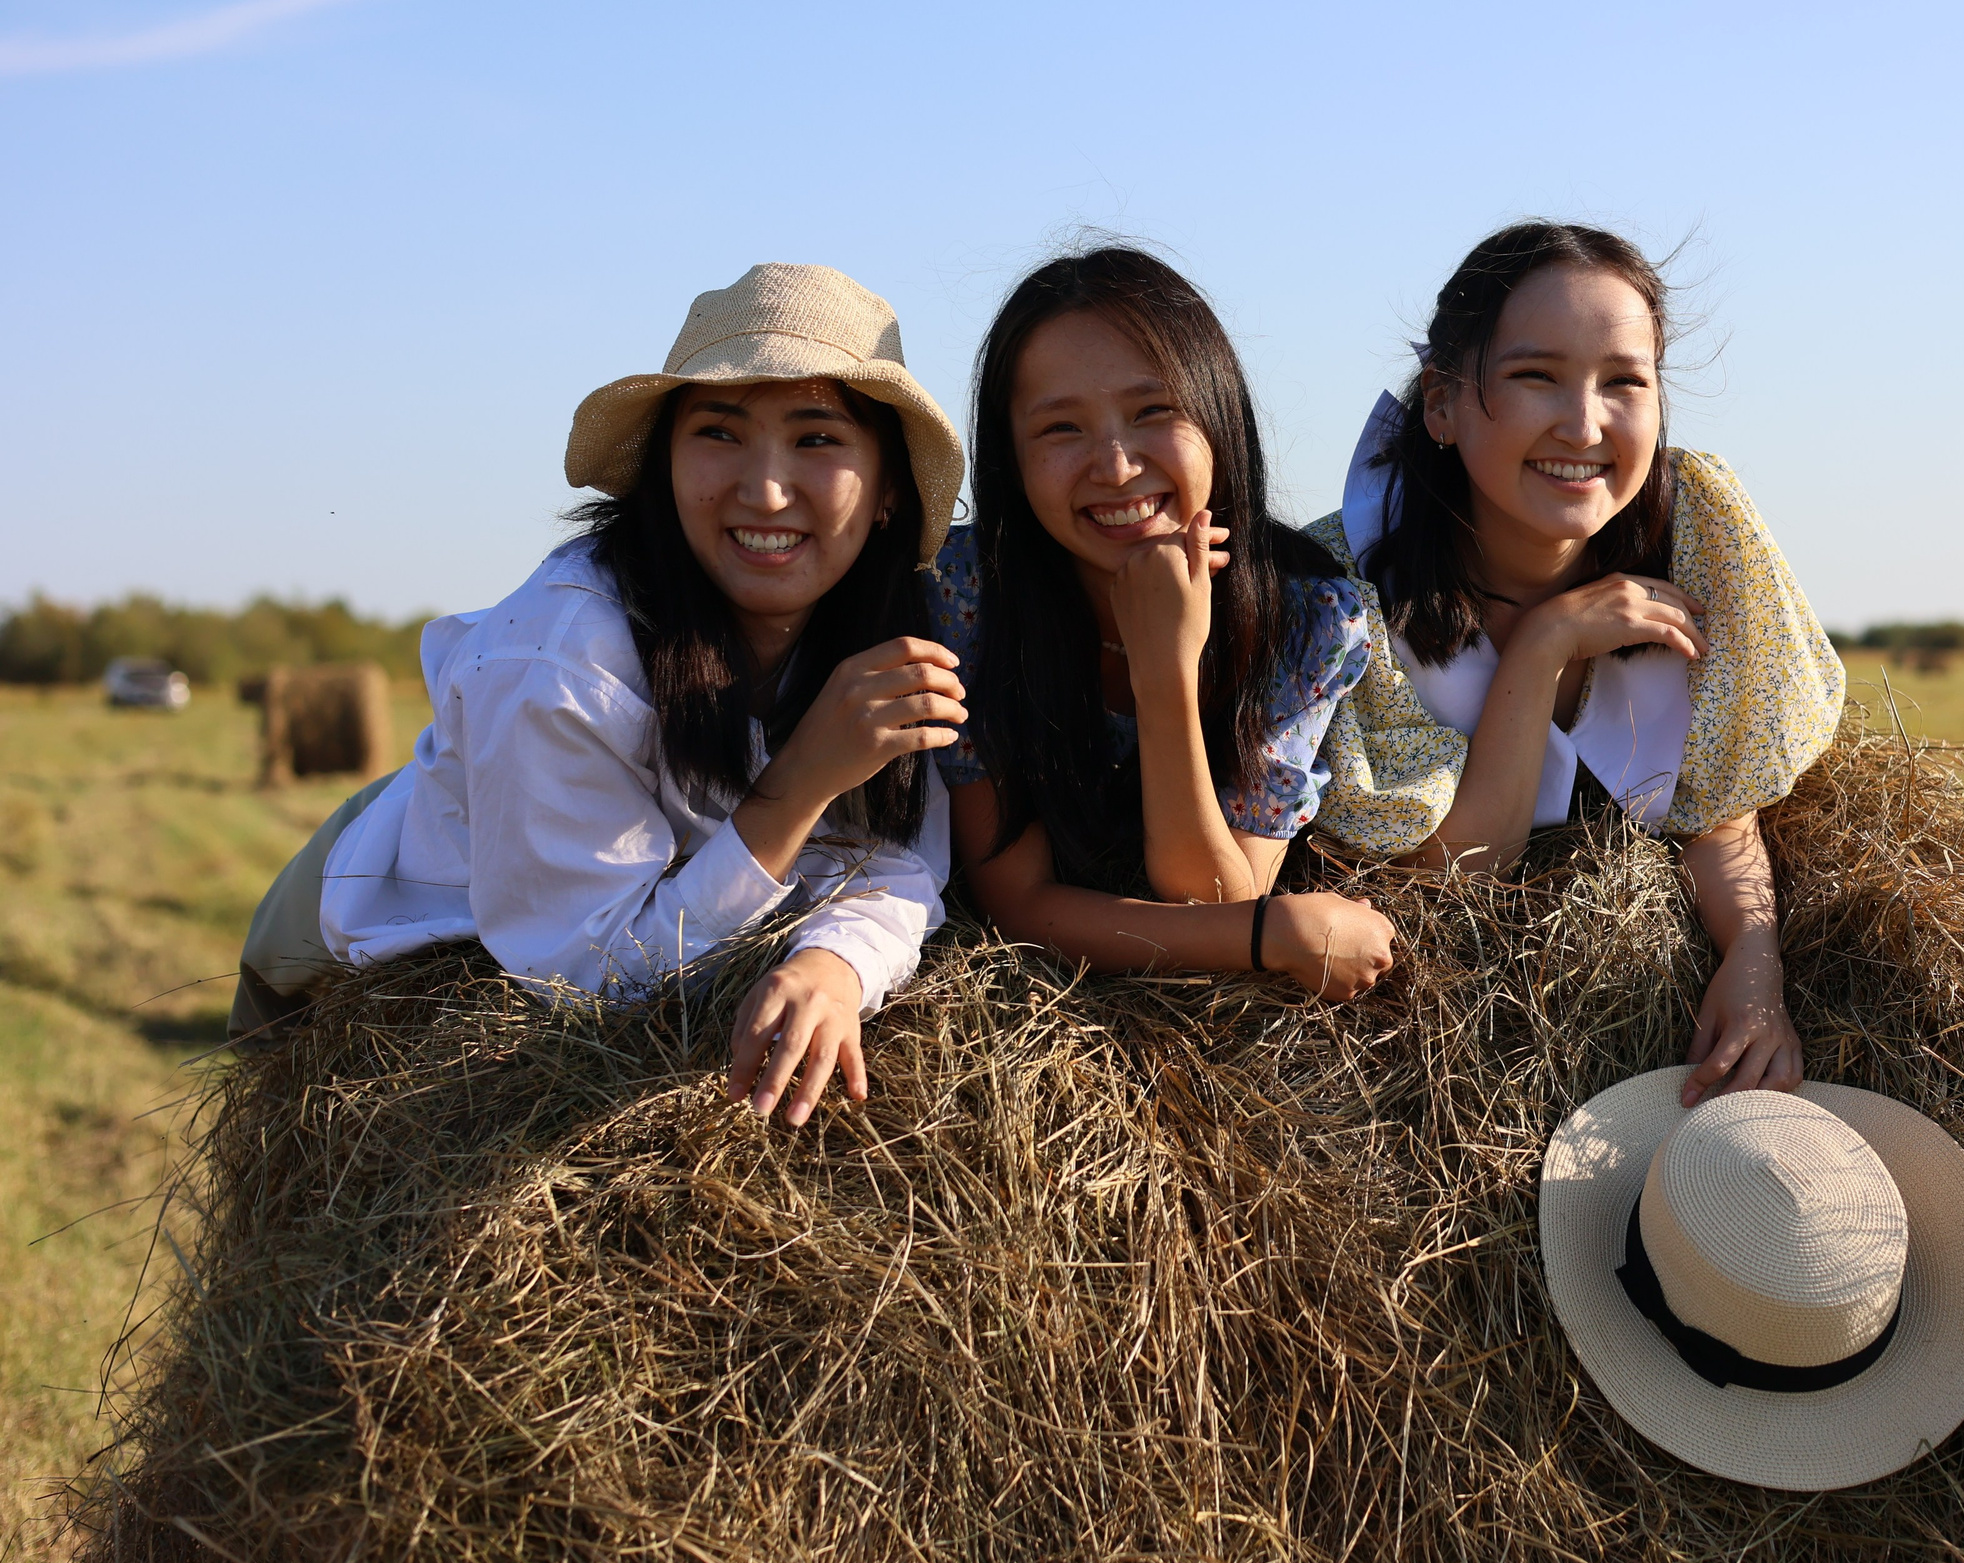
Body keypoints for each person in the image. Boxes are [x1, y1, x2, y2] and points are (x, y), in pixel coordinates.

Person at [231, 264, 969, 1127]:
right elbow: (592, 974)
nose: (765, 488)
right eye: (720, 434)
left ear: (885, 491)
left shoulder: (889, 638)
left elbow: (900, 862)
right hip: (345, 943)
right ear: (663, 465)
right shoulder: (560, 660)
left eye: (816, 439)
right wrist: (801, 781)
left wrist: (834, 964)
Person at [1311, 223, 1844, 1102]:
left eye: (1624, 382)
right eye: (1535, 376)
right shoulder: (1346, 594)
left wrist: (1755, 960)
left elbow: (1717, 801)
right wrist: (1547, 642)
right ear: (1441, 403)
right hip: (1441, 1074)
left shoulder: (1699, 530)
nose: (1586, 422)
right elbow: (1458, 870)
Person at [926, 248, 1395, 998]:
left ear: (1218, 417)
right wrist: (1265, 936)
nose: (1114, 466)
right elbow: (1015, 901)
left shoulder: (1306, 619)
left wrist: (1165, 670)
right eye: (1060, 429)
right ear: (1010, 459)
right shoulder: (966, 591)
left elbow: (1210, 895)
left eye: (1153, 412)